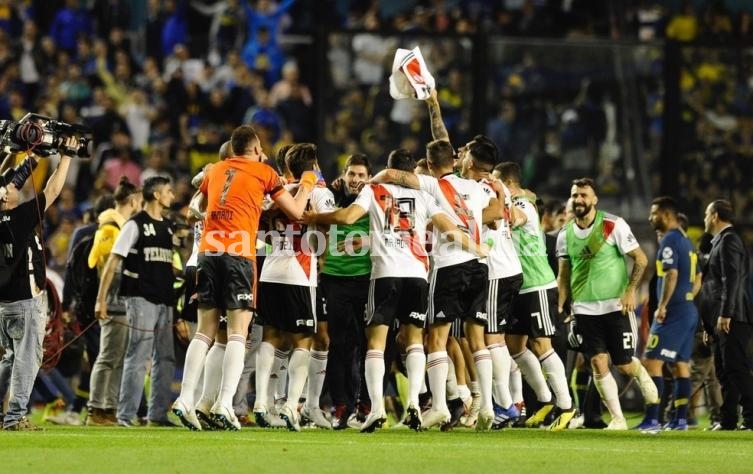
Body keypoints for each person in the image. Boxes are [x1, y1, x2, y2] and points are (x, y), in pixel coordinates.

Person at [304, 148, 487, 432]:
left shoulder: (374, 190)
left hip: (385, 275)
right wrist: (477, 249)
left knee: (376, 343)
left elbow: (348, 217)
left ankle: (376, 409)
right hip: (417, 275)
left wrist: (316, 216)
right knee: (414, 340)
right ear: (411, 172)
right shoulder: (425, 196)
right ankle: (413, 402)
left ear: (389, 169)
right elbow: (449, 229)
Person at [172, 125, 317, 431]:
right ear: (253, 149)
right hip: (238, 255)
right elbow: (295, 212)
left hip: (208, 253)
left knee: (205, 332)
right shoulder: (263, 172)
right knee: (239, 333)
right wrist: (306, 183)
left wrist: (213, 214)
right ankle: (225, 404)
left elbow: (192, 210)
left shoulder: (215, 169)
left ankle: (185, 399)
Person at [556, 177, 658, 430]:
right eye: (575, 195)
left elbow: (641, 259)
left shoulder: (613, 225)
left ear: (594, 199)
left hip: (616, 307)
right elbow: (563, 276)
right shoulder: (565, 234)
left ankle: (650, 396)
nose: (579, 199)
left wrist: (630, 291)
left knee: (624, 364)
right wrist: (561, 307)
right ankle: (618, 419)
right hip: (584, 310)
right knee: (598, 363)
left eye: (584, 195)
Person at [253, 143, 335, 432]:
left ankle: (261, 402)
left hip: (270, 271)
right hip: (299, 273)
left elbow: (259, 227)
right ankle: (291, 405)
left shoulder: (276, 192)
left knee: (270, 337)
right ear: (313, 165)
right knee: (303, 341)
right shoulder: (318, 192)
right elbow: (330, 231)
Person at [0, 139, 77, 430]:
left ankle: (2, 414)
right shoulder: (19, 217)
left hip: (4, 304)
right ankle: (15, 416)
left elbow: (10, 180)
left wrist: (27, 157)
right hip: (24, 301)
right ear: (5, 197)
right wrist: (66, 157)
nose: (15, 186)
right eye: (9, 186)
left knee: (9, 358)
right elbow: (53, 190)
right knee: (26, 359)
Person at [496, 162, 574, 431]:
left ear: (507, 182)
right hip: (518, 286)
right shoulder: (518, 199)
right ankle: (544, 400)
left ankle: (566, 405)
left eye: (496, 181)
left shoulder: (524, 206)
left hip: (538, 285)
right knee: (514, 345)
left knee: (542, 345)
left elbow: (512, 217)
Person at [95, 176, 177, 427]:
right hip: (140, 298)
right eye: (168, 191)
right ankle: (126, 415)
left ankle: (157, 414)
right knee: (138, 355)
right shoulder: (135, 224)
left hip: (165, 300)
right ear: (156, 196)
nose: (172, 196)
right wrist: (101, 299)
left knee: (166, 357)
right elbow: (112, 262)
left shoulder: (169, 226)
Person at [635, 197, 700, 432]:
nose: (650, 218)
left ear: (665, 214)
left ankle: (652, 419)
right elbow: (698, 277)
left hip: (673, 312)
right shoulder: (686, 240)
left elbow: (671, 274)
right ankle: (680, 420)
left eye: (654, 213)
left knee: (651, 361)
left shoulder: (670, 240)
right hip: (688, 309)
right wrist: (687, 296)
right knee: (680, 365)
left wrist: (663, 306)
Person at [317, 153, 372, 430]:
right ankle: (341, 406)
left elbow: (393, 231)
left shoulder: (374, 198)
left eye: (362, 175)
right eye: (352, 174)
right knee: (338, 344)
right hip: (334, 278)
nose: (356, 180)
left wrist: (368, 240)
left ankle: (364, 405)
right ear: (344, 174)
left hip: (365, 279)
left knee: (366, 345)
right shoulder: (331, 196)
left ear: (369, 178)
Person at [85, 177, 142, 426]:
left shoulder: (120, 226)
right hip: (114, 301)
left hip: (123, 302)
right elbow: (108, 269)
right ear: (131, 201)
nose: (141, 206)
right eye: (139, 201)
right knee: (108, 357)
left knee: (117, 358)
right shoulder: (110, 228)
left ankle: (109, 408)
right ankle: (96, 408)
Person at [699, 199, 753, 430]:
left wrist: (726, 314)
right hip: (720, 319)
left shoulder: (730, 240)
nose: (703, 218)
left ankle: (751, 417)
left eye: (706, 213)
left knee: (736, 368)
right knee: (724, 371)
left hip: (733, 317)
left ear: (715, 216)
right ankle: (728, 419)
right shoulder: (719, 242)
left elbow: (732, 280)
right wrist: (709, 326)